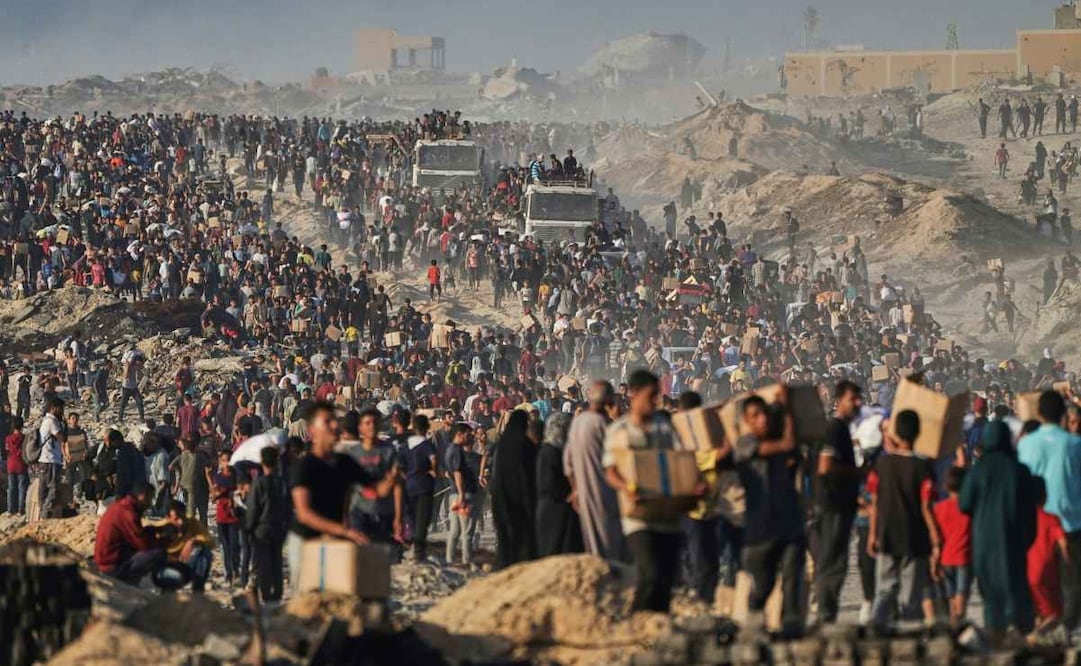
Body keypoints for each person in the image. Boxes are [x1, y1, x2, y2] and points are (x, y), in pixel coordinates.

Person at [288, 401, 397, 594]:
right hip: (307, 540)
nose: (334, 426)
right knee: (307, 600)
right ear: (313, 430)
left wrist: (393, 478)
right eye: (327, 422)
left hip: (335, 540)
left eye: (335, 421)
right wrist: (345, 531)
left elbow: (375, 490)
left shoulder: (345, 462)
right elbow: (304, 513)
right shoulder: (305, 466)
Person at [603, 369, 686, 613]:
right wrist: (626, 487)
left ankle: (656, 626)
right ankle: (637, 622)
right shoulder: (620, 431)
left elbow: (679, 458)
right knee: (650, 574)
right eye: (650, 396)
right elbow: (610, 471)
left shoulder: (664, 427)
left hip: (667, 512)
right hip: (638, 516)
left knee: (667, 577)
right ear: (634, 394)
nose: (655, 402)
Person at [960, 420, 1039, 641]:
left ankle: (996, 636)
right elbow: (1030, 508)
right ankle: (1022, 632)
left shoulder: (979, 470)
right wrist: (1028, 538)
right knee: (1017, 586)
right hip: (1014, 539)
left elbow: (964, 503)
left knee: (991, 591)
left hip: (984, 541)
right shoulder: (1019, 471)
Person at [734, 390, 804, 635]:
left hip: (789, 522)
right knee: (765, 584)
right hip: (761, 529)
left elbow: (794, 452)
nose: (761, 419)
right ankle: (754, 621)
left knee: (793, 577)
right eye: (755, 415)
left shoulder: (781, 446)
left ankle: (792, 625)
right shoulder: (745, 445)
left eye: (763, 413)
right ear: (747, 421)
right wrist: (786, 409)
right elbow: (787, 444)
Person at [867, 410, 940, 632]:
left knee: (884, 590)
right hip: (914, 537)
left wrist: (872, 534)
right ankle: (908, 640)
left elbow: (875, 502)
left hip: (887, 534)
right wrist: (936, 539)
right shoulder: (922, 467)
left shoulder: (882, 464)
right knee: (910, 595)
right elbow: (926, 507)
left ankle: (876, 630)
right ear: (918, 433)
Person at [1017, 390, 1081, 639]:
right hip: (1070, 522)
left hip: (1037, 524)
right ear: (1064, 415)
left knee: (1039, 577)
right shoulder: (1074, 444)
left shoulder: (1026, 444)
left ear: (1039, 413)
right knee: (1072, 581)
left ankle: (1044, 622)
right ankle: (1066, 627)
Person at [814, 381, 863, 625]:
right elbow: (826, 466)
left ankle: (827, 611)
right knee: (832, 561)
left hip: (840, 505)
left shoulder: (842, 428)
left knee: (836, 560)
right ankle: (825, 612)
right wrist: (856, 473)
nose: (858, 403)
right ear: (839, 400)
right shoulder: (834, 428)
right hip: (832, 505)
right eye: (853, 399)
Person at [564, 380, 626, 561]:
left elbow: (568, 463)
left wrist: (575, 489)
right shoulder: (604, 425)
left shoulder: (577, 423)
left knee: (592, 540)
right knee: (610, 539)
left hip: (583, 492)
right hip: (606, 492)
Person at [489, 409, 538, 569]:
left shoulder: (501, 443)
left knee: (505, 538)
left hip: (500, 496)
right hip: (521, 497)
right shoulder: (525, 444)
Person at [94, 483, 168, 585]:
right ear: (143, 496)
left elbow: (136, 533)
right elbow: (143, 544)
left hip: (106, 560)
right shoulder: (127, 512)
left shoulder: (121, 506)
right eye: (150, 498)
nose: (150, 504)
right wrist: (165, 542)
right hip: (111, 566)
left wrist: (154, 530)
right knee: (159, 553)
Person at [246, 446, 290, 602]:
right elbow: (288, 508)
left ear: (262, 462)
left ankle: (266, 595)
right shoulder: (282, 483)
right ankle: (277, 594)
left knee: (264, 564)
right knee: (276, 561)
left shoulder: (259, 483)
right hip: (278, 527)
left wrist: (249, 528)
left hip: (261, 529)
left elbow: (253, 508)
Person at [535, 412, 583, 557]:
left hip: (557, 507)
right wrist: (569, 494)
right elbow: (550, 483)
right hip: (554, 508)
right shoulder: (549, 452)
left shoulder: (554, 451)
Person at [1027, 476, 1069, 635]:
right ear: (1045, 497)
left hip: (1025, 574)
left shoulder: (1022, 518)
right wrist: (1068, 561)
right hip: (1046, 575)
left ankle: (1035, 638)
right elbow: (1063, 543)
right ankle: (1036, 637)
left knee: (1037, 614)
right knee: (1056, 614)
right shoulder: (1051, 519)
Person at [933, 467, 972, 628]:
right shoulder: (969, 508)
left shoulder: (939, 508)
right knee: (962, 592)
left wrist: (934, 559)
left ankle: (953, 623)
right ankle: (960, 620)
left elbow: (936, 537)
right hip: (964, 556)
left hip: (945, 557)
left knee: (950, 595)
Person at [148, 500, 215, 593]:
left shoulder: (191, 523)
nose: (181, 522)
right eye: (176, 519)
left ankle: (198, 591)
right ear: (168, 518)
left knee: (204, 552)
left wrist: (193, 541)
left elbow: (210, 541)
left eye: (182, 517)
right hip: (166, 567)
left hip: (185, 564)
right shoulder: (160, 529)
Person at [403, 414, 438, 562]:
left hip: (408, 485)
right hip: (424, 485)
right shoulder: (426, 444)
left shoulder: (406, 445)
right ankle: (419, 552)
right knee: (423, 518)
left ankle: (411, 546)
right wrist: (434, 470)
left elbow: (399, 466)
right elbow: (433, 459)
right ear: (427, 427)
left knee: (411, 517)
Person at [445, 422, 479, 565]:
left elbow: (449, 472)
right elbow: (458, 472)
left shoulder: (449, 450)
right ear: (459, 434)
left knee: (455, 531)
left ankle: (450, 559)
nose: (469, 437)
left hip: (453, 494)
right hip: (463, 494)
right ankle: (467, 560)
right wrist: (462, 494)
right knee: (467, 531)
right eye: (467, 434)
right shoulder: (458, 451)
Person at [212, 451, 241, 586]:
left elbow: (242, 491)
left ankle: (235, 570)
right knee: (225, 546)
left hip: (235, 516)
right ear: (220, 461)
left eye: (229, 460)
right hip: (221, 516)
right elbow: (213, 496)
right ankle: (228, 573)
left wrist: (234, 497)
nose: (226, 463)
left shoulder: (237, 476)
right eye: (224, 460)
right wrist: (219, 493)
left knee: (234, 546)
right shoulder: (218, 477)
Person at [171, 437, 212, 526]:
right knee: (203, 512)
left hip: (185, 487)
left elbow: (170, 467)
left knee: (190, 510)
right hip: (201, 487)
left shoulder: (180, 457)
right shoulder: (201, 456)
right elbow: (208, 469)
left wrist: (179, 473)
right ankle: (203, 531)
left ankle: (191, 530)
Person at [36, 397, 66, 519]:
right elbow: (61, 438)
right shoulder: (52, 421)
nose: (62, 411)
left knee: (44, 489)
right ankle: (45, 513)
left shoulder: (46, 420)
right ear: (54, 408)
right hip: (51, 460)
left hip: (45, 460)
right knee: (53, 489)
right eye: (61, 409)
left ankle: (44, 513)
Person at [4, 416, 28, 515]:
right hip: (21, 464)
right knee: (22, 488)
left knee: (11, 488)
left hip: (10, 465)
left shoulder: (8, 438)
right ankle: (20, 510)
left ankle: (10, 509)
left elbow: (6, 450)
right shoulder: (24, 438)